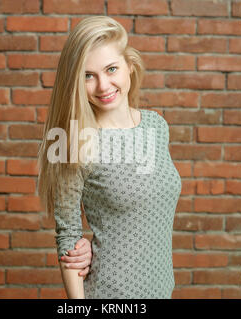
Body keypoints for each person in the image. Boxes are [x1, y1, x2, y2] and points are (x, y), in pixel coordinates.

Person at [37, 16, 182, 299]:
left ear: (130, 66)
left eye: (111, 69)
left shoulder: (156, 126)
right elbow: (68, 236)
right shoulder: (74, 142)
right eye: (88, 75)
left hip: (162, 290)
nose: (103, 86)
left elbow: (145, 207)